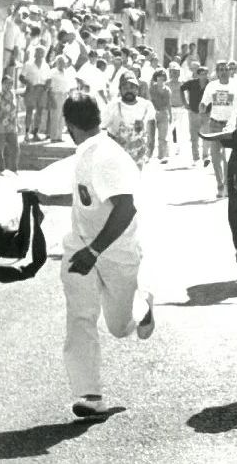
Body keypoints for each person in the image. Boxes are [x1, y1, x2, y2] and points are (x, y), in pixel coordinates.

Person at [51, 92, 154, 417]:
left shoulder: (106, 156)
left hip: (117, 252)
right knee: (80, 317)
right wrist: (42, 198)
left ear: (69, 125)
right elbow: (86, 197)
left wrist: (95, 251)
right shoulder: (86, 153)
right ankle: (90, 395)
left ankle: (143, 306)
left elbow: (125, 208)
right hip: (80, 247)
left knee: (119, 326)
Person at [200, 60, 237, 197]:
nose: (224, 72)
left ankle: (227, 185)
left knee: (227, 157)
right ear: (217, 73)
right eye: (221, 70)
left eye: (226, 69)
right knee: (215, 156)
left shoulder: (235, 86)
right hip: (214, 124)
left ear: (230, 71)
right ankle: (219, 184)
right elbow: (204, 102)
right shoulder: (212, 86)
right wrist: (202, 107)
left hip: (229, 125)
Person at [102, 73, 156, 170]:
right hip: (117, 155)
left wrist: (151, 149)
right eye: (125, 88)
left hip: (139, 155)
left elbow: (151, 127)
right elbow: (102, 128)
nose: (129, 90)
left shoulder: (146, 106)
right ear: (120, 90)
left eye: (132, 87)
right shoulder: (113, 106)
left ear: (137, 89)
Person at [20, 46, 52, 142]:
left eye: (42, 53)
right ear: (35, 53)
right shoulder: (28, 64)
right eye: (38, 52)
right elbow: (21, 77)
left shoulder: (46, 66)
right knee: (29, 111)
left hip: (42, 89)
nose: (40, 54)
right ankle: (26, 133)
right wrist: (28, 83)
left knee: (39, 112)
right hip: (32, 89)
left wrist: (47, 86)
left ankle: (35, 133)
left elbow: (49, 78)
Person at [0, 75, 20, 174]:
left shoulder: (12, 95)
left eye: (11, 84)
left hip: (11, 127)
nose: (9, 86)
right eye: (7, 83)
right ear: (2, 84)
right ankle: (0, 170)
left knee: (15, 148)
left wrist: (17, 123)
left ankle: (14, 168)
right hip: (0, 127)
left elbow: (14, 110)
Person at [183, 65, 210, 166]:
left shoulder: (211, 84)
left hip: (207, 113)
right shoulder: (191, 83)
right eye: (201, 74)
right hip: (194, 112)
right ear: (197, 75)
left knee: (206, 135)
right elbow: (181, 88)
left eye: (205, 74)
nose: (204, 76)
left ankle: (205, 156)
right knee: (194, 136)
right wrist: (185, 103)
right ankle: (195, 157)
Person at [48, 56, 76, 142]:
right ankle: (53, 137)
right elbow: (49, 87)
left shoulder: (67, 73)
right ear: (56, 63)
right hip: (56, 95)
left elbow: (70, 86)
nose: (61, 64)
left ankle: (59, 137)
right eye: (59, 62)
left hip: (65, 95)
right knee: (55, 117)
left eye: (63, 62)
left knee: (62, 117)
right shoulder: (52, 73)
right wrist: (52, 99)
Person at [148, 69, 172, 162]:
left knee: (163, 137)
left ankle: (162, 156)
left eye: (162, 78)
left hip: (163, 113)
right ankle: (148, 155)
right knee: (150, 136)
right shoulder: (151, 89)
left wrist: (170, 115)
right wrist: (152, 111)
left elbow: (169, 104)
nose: (160, 80)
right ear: (156, 78)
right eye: (159, 78)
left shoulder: (167, 90)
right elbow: (149, 101)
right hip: (152, 113)